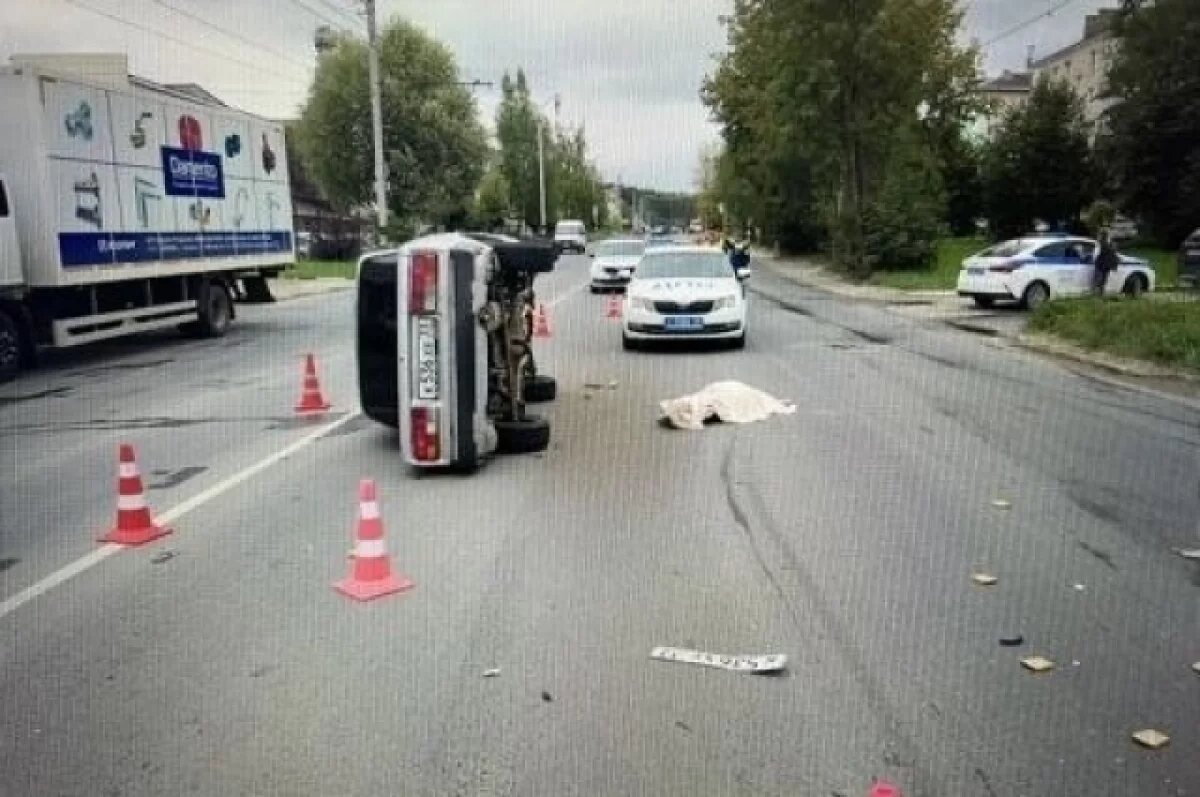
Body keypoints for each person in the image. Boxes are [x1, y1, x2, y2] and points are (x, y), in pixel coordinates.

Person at [1093, 229, 1119, 296]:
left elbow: (1096, 254)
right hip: (1104, 264)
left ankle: (1099, 293)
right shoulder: (1108, 244)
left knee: (1101, 279)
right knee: (1102, 279)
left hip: (1103, 264)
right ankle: (1099, 293)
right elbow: (1113, 254)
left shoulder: (1102, 243)